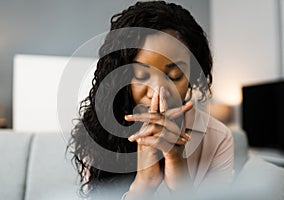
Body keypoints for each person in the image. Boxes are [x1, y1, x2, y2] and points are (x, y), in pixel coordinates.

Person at [68, 1, 234, 199]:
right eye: (140, 76)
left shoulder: (218, 139)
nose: (158, 92)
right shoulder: (98, 133)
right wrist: (144, 183)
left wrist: (177, 167)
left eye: (174, 75)